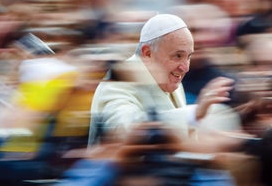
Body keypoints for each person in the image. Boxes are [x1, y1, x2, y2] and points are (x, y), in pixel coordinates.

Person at [87, 13, 236, 145]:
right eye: (178, 56)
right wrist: (194, 113)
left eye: (188, 56)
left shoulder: (172, 78)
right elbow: (126, 129)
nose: (185, 67)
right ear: (147, 53)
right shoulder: (120, 79)